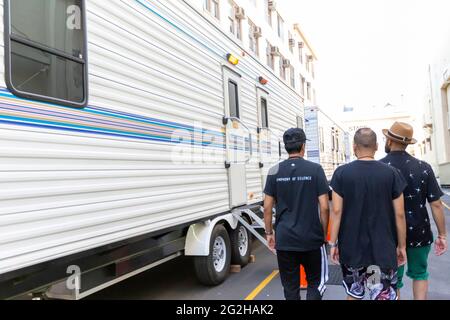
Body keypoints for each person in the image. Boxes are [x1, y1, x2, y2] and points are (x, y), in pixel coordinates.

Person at [329, 128, 408, 300]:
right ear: (377, 147)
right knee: (381, 294)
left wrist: (333, 243)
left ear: (354, 147)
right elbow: (400, 214)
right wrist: (401, 246)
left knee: (354, 293)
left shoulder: (341, 173)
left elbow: (336, 211)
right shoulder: (392, 173)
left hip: (352, 248)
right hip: (382, 249)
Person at [380, 122, 448, 300]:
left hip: (389, 235)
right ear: (407, 143)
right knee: (420, 274)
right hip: (420, 231)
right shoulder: (423, 167)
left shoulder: (379, 168)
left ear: (389, 140)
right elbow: (436, 204)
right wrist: (442, 234)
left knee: (394, 280)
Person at [263, 128, 330, 300]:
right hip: (311, 238)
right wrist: (322, 233)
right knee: (316, 283)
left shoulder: (273, 171)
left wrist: (269, 233)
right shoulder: (315, 169)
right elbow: (324, 207)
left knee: (290, 287)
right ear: (303, 146)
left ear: (286, 147)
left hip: (285, 239)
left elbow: (268, 207)